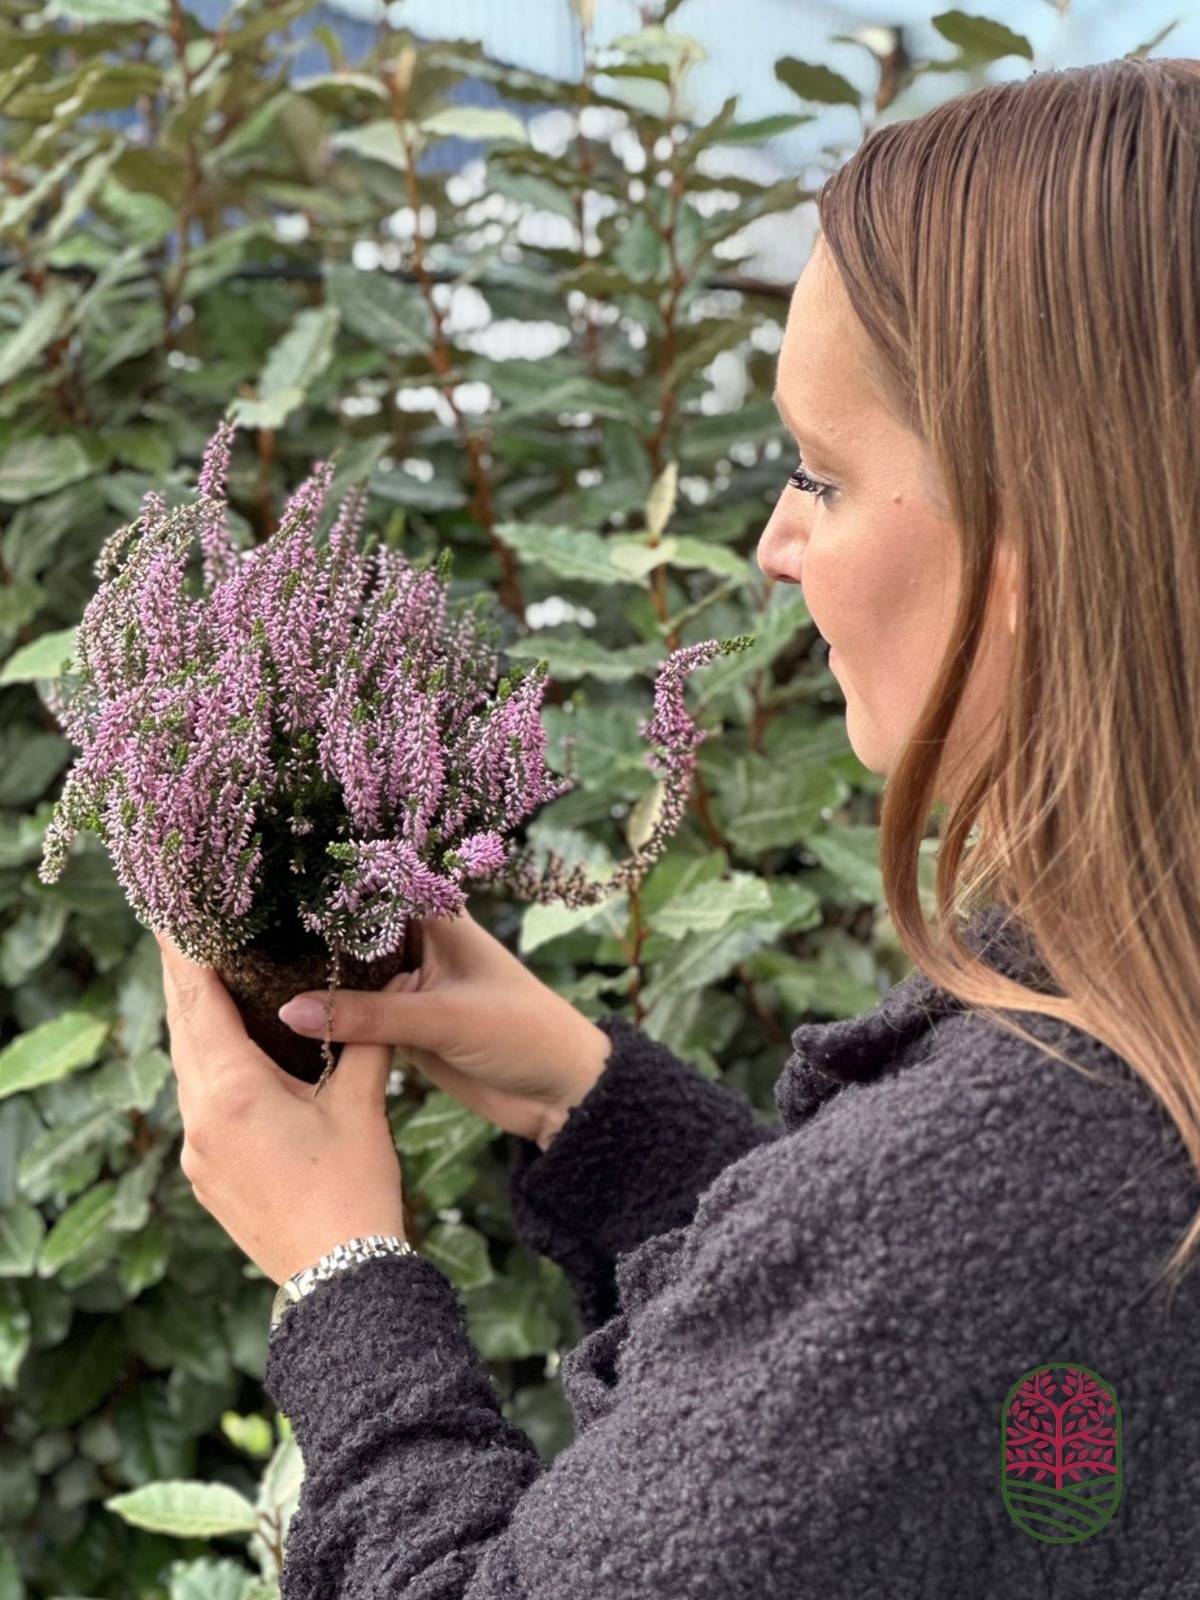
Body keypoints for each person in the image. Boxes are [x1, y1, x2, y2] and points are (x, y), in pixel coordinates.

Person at [166, 56, 1200, 1598]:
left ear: (1042, 530)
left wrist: (340, 1272)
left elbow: (914, 1297)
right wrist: (592, 1106)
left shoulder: (1006, 1177)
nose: (777, 545)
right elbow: (925, 1413)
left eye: (823, 474)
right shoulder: (1122, 1067)